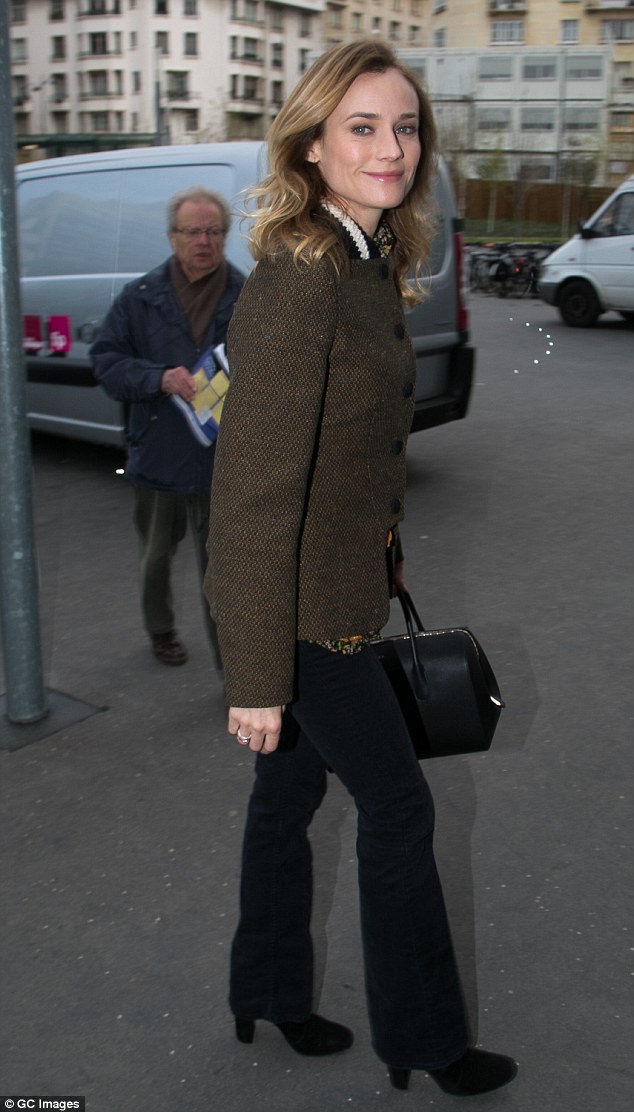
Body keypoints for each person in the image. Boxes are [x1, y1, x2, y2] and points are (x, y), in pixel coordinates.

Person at [206, 40, 518, 1097]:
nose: (392, 148)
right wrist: (256, 676)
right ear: (311, 144)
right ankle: (425, 1041)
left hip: (339, 591)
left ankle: (268, 989)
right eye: (362, 126)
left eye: (406, 127)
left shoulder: (362, 255)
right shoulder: (303, 277)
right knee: (399, 811)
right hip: (306, 620)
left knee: (284, 801)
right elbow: (253, 493)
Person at [91, 186, 244, 668]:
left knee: (223, 575)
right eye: (193, 231)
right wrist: (157, 378)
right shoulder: (140, 298)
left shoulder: (248, 296)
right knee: (156, 556)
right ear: (172, 236)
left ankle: (234, 675)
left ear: (225, 236)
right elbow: (106, 362)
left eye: (213, 231)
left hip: (223, 460)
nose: (204, 241)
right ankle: (160, 629)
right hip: (159, 453)